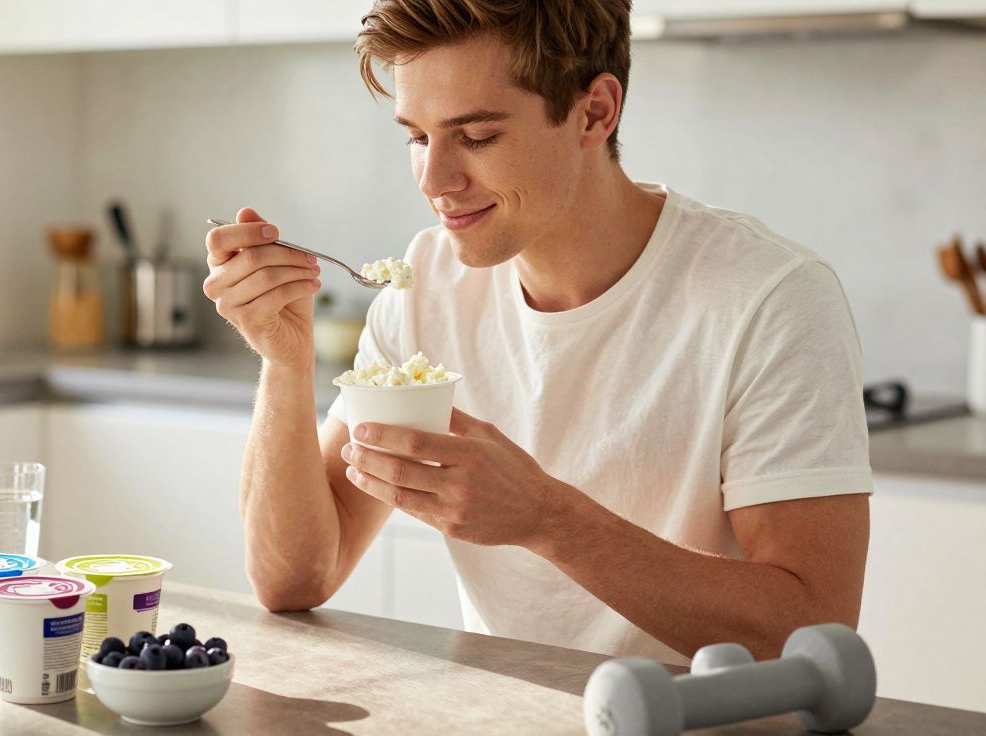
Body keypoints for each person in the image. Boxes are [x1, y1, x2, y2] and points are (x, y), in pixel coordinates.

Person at [202, 0, 870, 664]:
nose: (435, 180)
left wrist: (548, 519)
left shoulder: (768, 298)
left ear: (594, 112)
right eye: (416, 136)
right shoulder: (424, 285)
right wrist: (284, 361)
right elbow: (294, 579)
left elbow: (814, 632)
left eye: (477, 137)